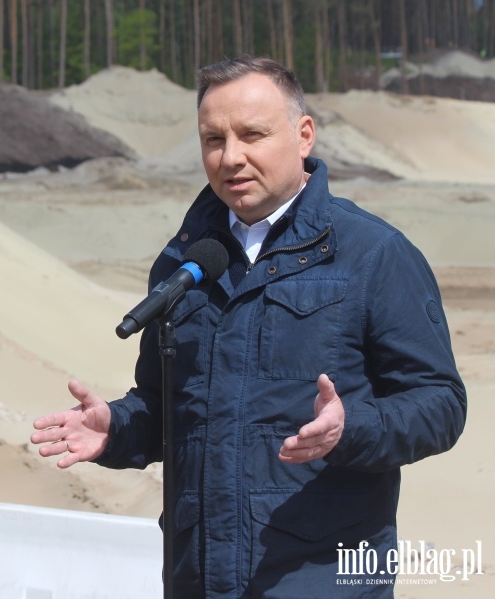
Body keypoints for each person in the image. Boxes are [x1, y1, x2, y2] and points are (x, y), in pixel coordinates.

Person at [30, 56, 466, 597]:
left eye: (252, 135)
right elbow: (170, 408)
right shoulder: (185, 262)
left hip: (322, 578)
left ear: (303, 135)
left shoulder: (374, 254)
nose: (230, 157)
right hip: (197, 576)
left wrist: (348, 428)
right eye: (213, 139)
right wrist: (115, 428)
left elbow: (440, 403)